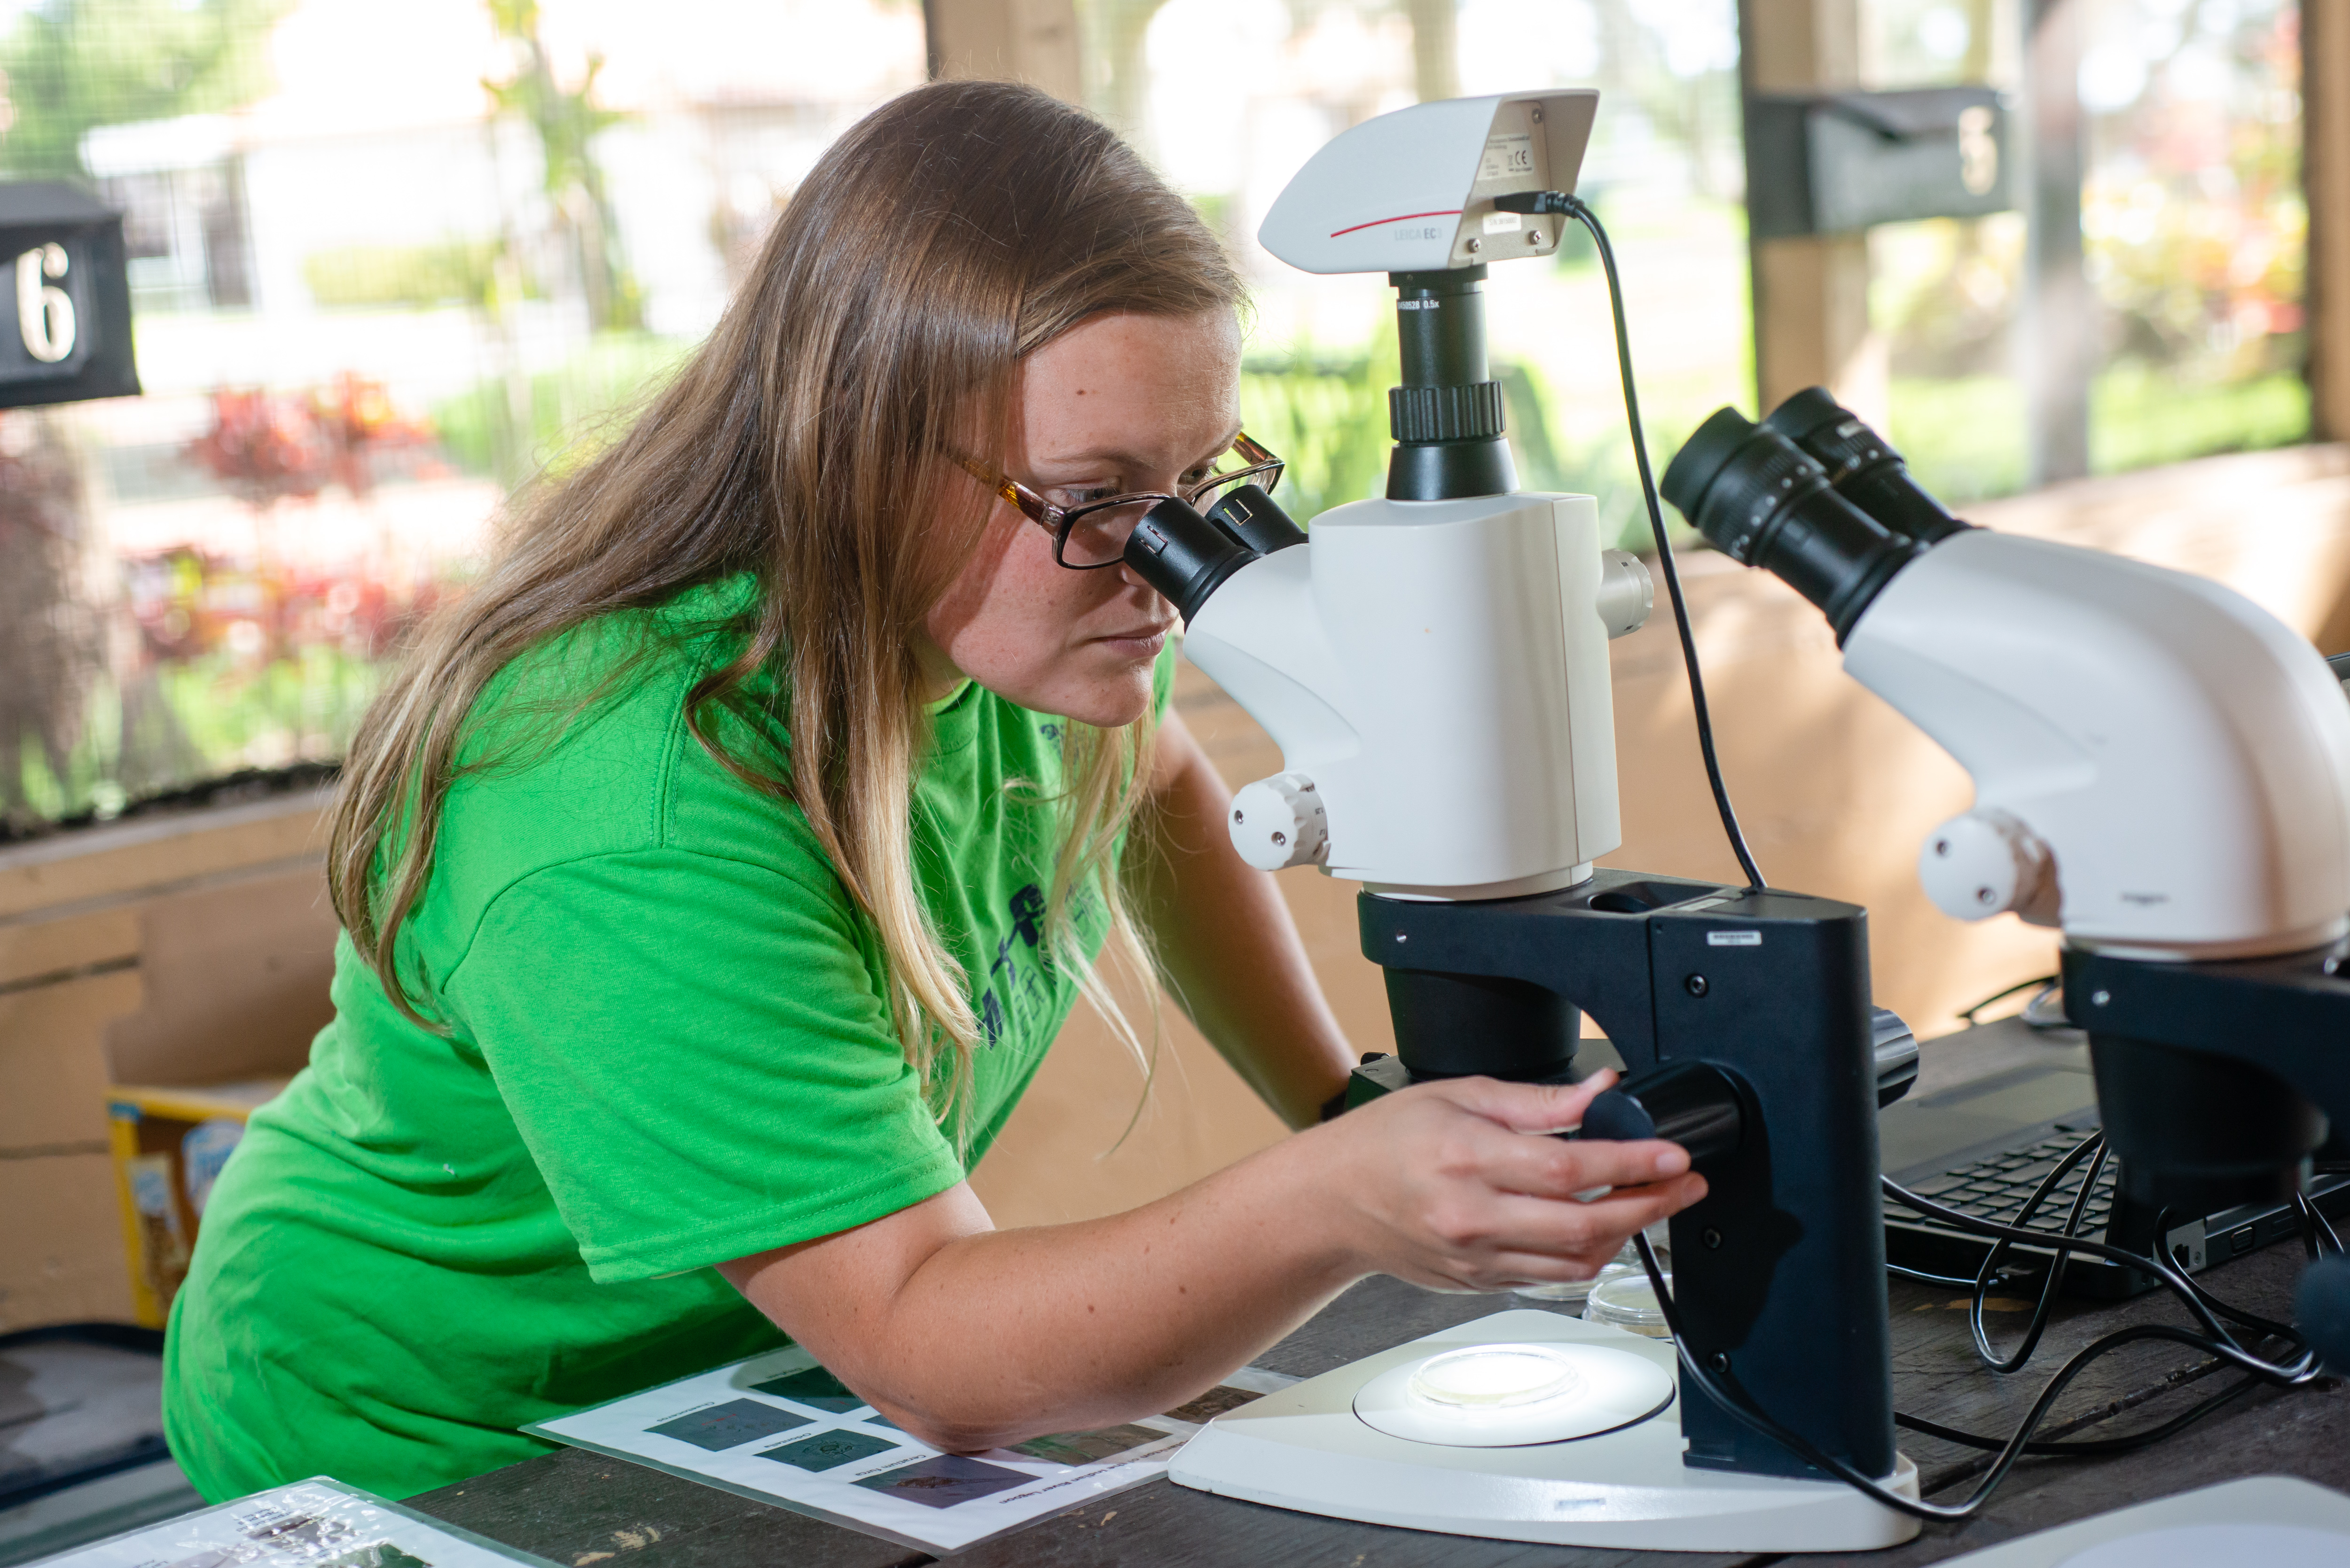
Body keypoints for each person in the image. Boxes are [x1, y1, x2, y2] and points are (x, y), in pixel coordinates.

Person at [162, 80, 1705, 1502]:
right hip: (419, 1434)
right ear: (858, 453)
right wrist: (1336, 1196)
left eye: (1199, 484)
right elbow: (928, 1346)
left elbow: (1153, 776)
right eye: (1099, 501)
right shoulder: (630, 799)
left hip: (746, 1379)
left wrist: (1338, 1094)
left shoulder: (1051, 624)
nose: (1167, 568)